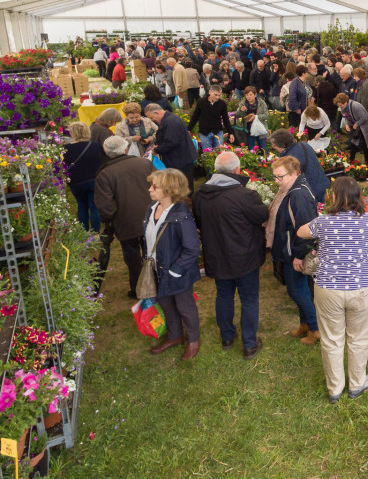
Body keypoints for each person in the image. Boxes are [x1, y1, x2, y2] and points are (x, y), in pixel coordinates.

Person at [295, 177, 368, 403]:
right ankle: (356, 385)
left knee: (331, 340)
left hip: (328, 289)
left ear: (334, 197)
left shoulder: (323, 222)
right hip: (363, 289)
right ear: (359, 196)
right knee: (358, 339)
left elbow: (300, 232)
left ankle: (335, 389)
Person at [192, 151, 269, 359]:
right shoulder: (244, 195)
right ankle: (250, 344)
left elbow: (199, 221)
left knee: (224, 295)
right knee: (249, 298)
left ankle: (227, 337)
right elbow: (263, 215)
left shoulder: (200, 194)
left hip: (217, 255)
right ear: (237, 170)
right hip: (244, 256)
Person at [144, 168, 202, 361]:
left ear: (169, 190)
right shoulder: (152, 208)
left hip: (177, 273)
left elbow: (192, 248)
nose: (150, 190)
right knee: (166, 303)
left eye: (155, 186)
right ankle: (175, 336)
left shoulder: (181, 215)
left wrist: (176, 271)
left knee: (185, 307)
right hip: (158, 269)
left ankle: (193, 340)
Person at [94, 135, 156, 298]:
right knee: (153, 251)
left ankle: (138, 288)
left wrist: (108, 221)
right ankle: (156, 283)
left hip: (125, 222)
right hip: (150, 216)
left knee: (133, 257)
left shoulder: (105, 174)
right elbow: (160, 186)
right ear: (126, 149)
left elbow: (106, 206)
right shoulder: (144, 163)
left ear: (106, 152)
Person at [270, 156, 319, 345]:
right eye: (275, 176)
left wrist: (298, 256)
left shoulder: (298, 194)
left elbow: (306, 230)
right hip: (291, 249)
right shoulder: (293, 188)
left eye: (280, 177)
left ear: (293, 173)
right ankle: (305, 324)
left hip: (295, 252)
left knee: (297, 291)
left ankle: (315, 329)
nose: (276, 181)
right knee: (300, 289)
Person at [145, 103, 198, 193]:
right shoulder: (170, 119)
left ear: (157, 113)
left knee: (183, 188)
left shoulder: (170, 121)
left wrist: (157, 149)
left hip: (180, 160)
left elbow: (171, 142)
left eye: (151, 117)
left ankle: (187, 205)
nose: (152, 120)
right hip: (181, 158)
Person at [268, 129, 328, 203]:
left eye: (274, 145)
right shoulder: (304, 145)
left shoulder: (289, 159)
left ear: (283, 145)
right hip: (321, 183)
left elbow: (290, 180)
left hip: (309, 192)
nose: (274, 147)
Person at [187, 85, 234, 152]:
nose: (217, 97)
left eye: (219, 95)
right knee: (207, 154)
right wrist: (188, 129)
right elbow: (195, 117)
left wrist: (231, 133)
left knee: (219, 153)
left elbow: (225, 119)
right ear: (209, 92)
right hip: (204, 132)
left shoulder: (222, 104)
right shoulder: (201, 102)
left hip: (217, 131)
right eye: (215, 95)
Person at [335, 92, 368, 165]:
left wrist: (356, 124)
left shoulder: (356, 106)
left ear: (345, 102)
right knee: (353, 143)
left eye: (341, 105)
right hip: (356, 126)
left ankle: (367, 162)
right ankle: (351, 160)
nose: (340, 107)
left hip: (365, 126)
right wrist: (347, 124)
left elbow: (364, 118)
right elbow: (347, 117)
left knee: (365, 144)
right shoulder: (344, 108)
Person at [234, 86, 270, 155]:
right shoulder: (243, 103)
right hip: (248, 130)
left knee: (263, 149)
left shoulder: (261, 102)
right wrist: (241, 111)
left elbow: (266, 115)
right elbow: (238, 115)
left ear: (255, 95)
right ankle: (252, 163)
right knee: (250, 150)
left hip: (260, 129)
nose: (249, 97)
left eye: (251, 94)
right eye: (247, 95)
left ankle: (264, 162)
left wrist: (256, 117)